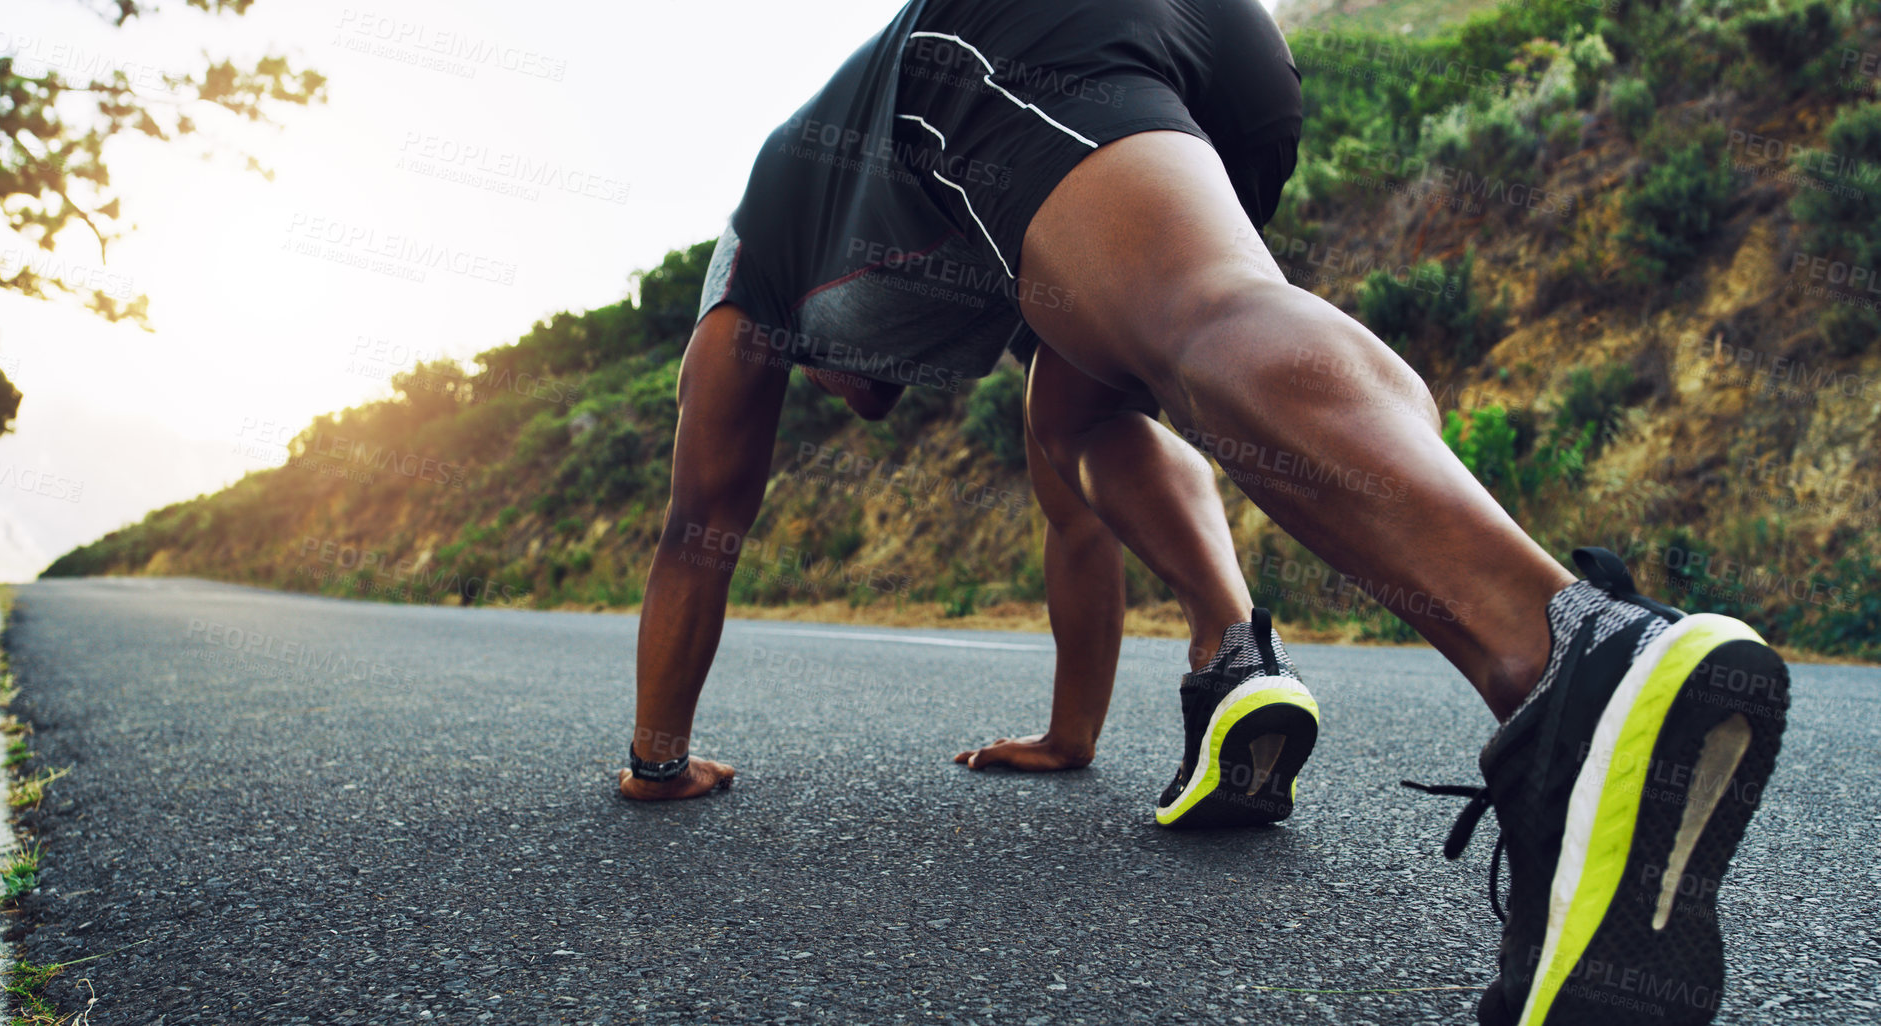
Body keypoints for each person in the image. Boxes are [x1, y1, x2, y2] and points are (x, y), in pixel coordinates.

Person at [622, 2, 1790, 1024]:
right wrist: (1071, 737)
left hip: (995, 34)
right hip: (1230, 52)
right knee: (1087, 414)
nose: (857, 397)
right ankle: (1236, 657)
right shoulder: (989, 232)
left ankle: (1571, 656)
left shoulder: (752, 279)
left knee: (1204, 313)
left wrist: (659, 761)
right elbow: (1073, 511)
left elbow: (699, 529)